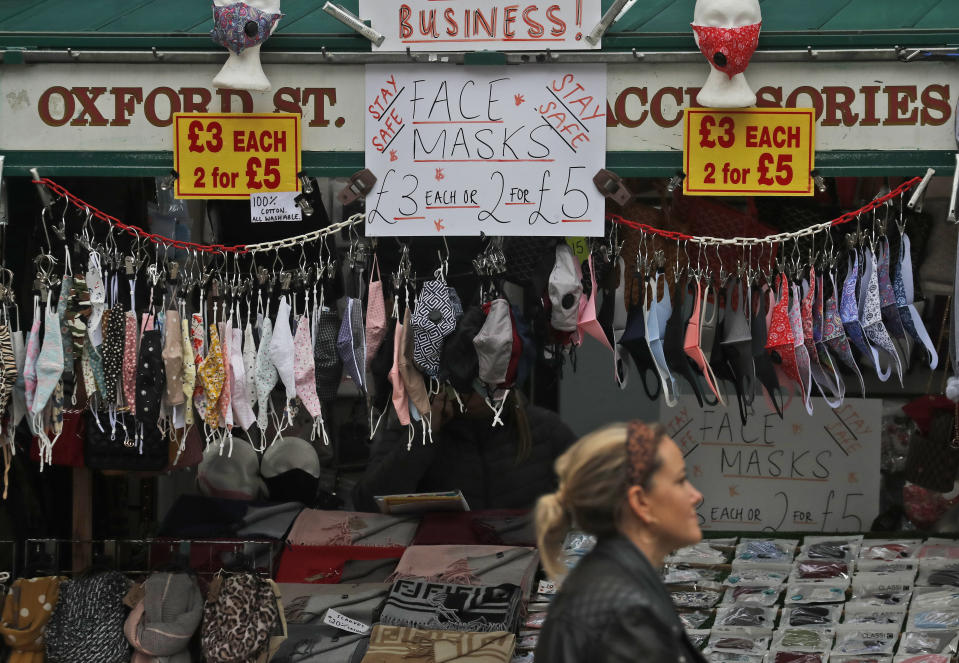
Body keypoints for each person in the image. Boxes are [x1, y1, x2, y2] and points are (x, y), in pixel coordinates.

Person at [534, 421, 706, 663]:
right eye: (680, 481)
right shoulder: (626, 612)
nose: (696, 496)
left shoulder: (618, 580)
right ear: (641, 501)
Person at [351, 390, 577, 512]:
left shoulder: (544, 429)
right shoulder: (413, 428)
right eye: (463, 375)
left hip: (529, 566)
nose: (473, 388)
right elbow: (367, 504)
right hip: (440, 573)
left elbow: (598, 499)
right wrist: (425, 433)